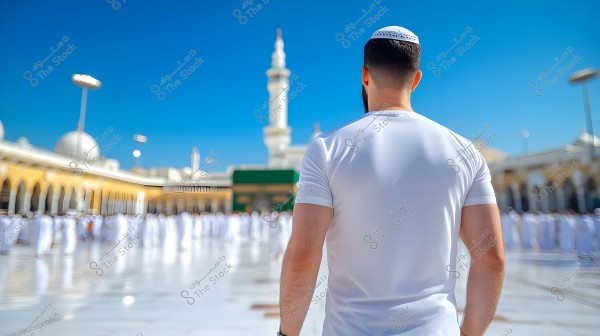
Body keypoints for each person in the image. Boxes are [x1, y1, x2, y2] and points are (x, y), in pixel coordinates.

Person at [278, 26, 505, 336]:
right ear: (416, 79)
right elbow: (491, 258)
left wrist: (286, 333)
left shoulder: (327, 148)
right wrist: (470, 333)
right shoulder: (466, 152)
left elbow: (304, 255)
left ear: (364, 75)